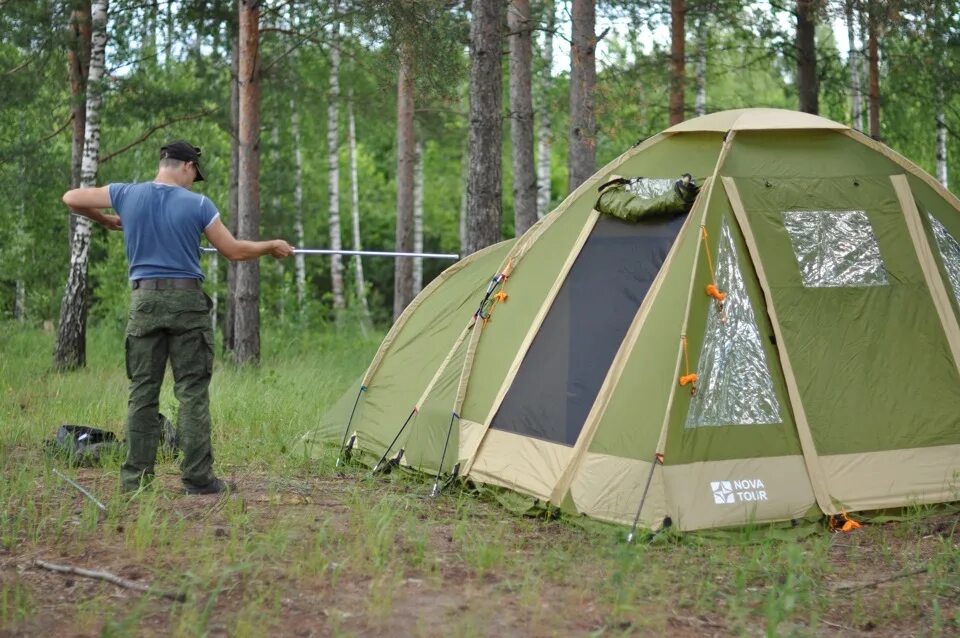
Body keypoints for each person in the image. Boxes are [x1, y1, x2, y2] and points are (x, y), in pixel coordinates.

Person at [61, 140, 295, 494]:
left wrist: (108, 220)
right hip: (187, 302)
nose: (193, 181)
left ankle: (135, 483)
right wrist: (270, 246)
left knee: (142, 393)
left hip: (145, 301)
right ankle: (198, 479)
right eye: (194, 174)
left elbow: (71, 198)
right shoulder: (199, 204)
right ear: (187, 166)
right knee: (192, 392)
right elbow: (232, 250)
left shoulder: (126, 193)